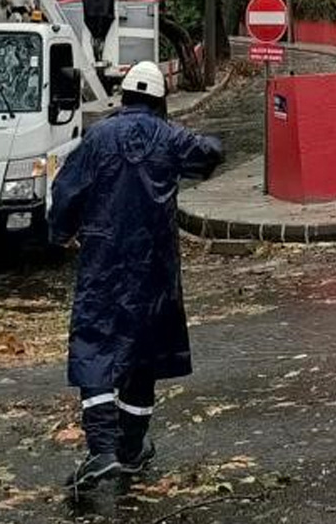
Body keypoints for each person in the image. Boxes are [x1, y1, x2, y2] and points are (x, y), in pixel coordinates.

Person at [48, 61, 224, 491]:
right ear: (160, 100)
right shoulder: (171, 138)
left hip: (104, 264)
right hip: (155, 269)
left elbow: (67, 190)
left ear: (124, 97)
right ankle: (129, 450)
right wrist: (208, 143)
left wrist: (59, 232)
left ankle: (103, 450)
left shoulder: (98, 138)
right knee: (144, 356)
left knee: (94, 347)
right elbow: (208, 154)